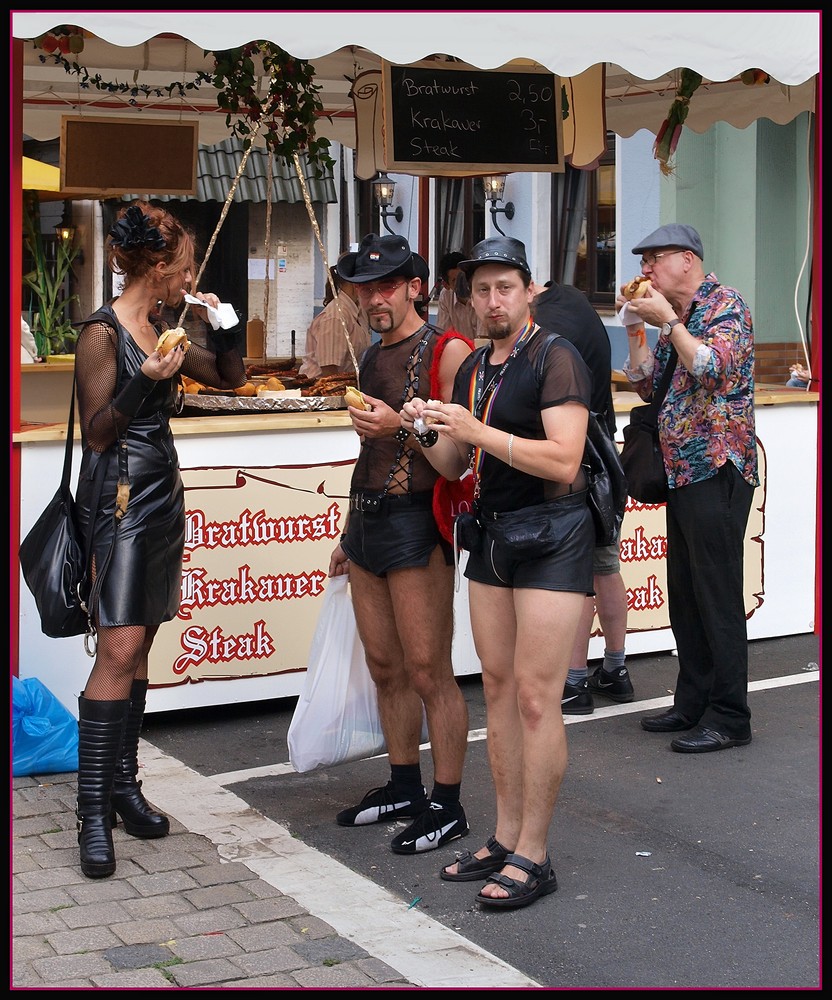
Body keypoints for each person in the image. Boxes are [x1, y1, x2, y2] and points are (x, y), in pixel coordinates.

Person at [402, 236, 595, 910]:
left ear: (528, 290)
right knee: (499, 688)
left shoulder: (556, 356)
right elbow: (456, 466)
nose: (492, 301)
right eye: (480, 290)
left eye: (504, 287)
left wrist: (477, 435)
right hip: (491, 536)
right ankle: (506, 835)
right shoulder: (475, 367)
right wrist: (423, 430)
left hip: (554, 536)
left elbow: (564, 461)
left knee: (539, 698)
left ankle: (535, 855)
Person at [72, 202, 246, 878]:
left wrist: (218, 317)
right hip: (116, 500)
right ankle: (92, 813)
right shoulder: (104, 333)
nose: (189, 277)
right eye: (184, 267)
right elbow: (97, 433)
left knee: (141, 640)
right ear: (159, 266)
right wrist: (145, 385)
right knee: (117, 645)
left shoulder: (161, 327)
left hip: (161, 498)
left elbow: (228, 378)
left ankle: (124, 787)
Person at [328, 233, 473, 855]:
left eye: (385, 285)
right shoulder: (369, 356)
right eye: (364, 288)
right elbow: (369, 451)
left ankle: (448, 803)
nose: (373, 298)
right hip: (367, 520)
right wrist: (344, 532)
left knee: (427, 669)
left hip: (419, 520)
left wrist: (403, 423)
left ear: (415, 285)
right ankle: (403, 782)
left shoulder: (448, 350)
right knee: (385, 666)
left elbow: (457, 461)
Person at [619, 223, 758, 753]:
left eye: (654, 259)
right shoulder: (680, 317)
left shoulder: (726, 305)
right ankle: (693, 701)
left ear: (687, 260)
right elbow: (652, 386)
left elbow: (714, 370)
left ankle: (730, 714)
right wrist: (636, 330)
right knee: (685, 594)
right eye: (644, 262)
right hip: (683, 471)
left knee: (717, 595)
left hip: (718, 467)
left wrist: (669, 321)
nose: (646, 270)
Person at [531, 281, 633, 715]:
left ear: (527, 287)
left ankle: (574, 683)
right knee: (605, 564)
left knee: (577, 570)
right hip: (603, 453)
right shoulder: (576, 302)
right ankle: (615, 668)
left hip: (577, 459)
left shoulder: (547, 319)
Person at [299, 264, 371, 380]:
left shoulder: (359, 312)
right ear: (356, 284)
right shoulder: (336, 316)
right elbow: (329, 370)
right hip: (320, 390)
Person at [435, 250, 480, 341]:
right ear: (446, 285)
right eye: (455, 280)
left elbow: (484, 340)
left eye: (464, 277)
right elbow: (444, 336)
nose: (462, 283)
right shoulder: (446, 296)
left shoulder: (481, 294)